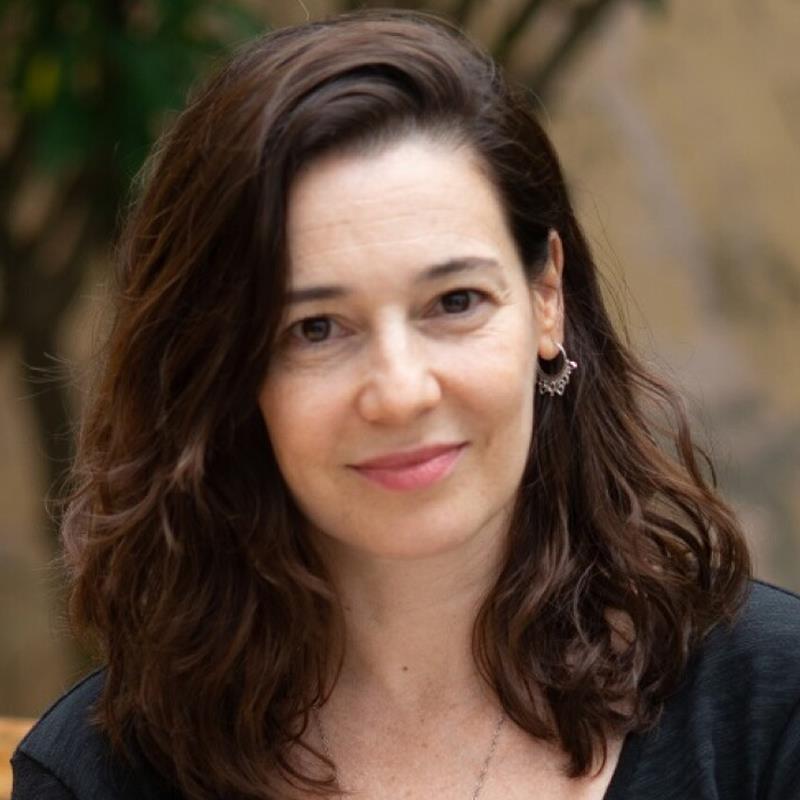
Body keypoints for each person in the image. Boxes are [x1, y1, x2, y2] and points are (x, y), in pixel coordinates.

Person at [11, 9, 800, 800]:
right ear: (222, 368)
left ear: (546, 298)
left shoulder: (771, 709)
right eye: (315, 328)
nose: (400, 392)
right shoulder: (100, 776)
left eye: (454, 302)